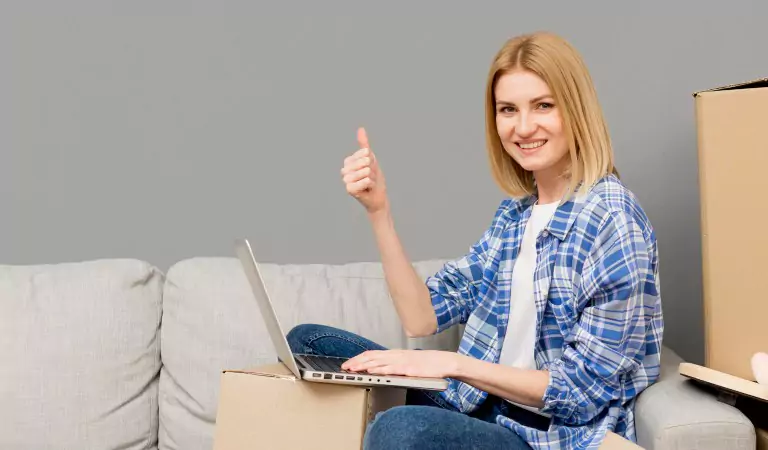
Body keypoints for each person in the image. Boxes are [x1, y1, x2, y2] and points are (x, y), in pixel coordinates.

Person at [287, 31, 663, 450]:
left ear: (576, 110)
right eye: (508, 109)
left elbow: (576, 392)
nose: (523, 127)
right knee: (309, 343)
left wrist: (451, 364)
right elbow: (422, 318)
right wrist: (379, 211)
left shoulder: (611, 218)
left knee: (401, 431)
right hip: (479, 406)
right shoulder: (515, 218)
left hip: (547, 436)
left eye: (543, 105)